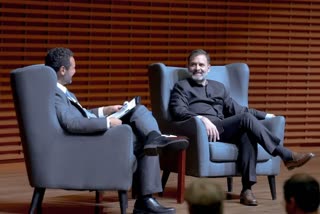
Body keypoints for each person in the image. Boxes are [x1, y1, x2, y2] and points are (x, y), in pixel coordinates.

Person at [44, 47, 189, 214]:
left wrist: (106, 110)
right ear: (63, 70)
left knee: (139, 114)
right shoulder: (56, 94)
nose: (75, 71)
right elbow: (72, 123)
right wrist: (107, 122)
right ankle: (146, 197)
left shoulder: (62, 93)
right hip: (93, 141)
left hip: (94, 135)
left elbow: (82, 115)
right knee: (143, 134)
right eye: (74, 67)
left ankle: (154, 138)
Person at [169, 49, 315, 206]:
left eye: (201, 64)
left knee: (247, 132)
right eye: (193, 64)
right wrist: (202, 119)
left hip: (222, 128)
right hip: (200, 131)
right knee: (245, 120)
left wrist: (268, 116)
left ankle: (247, 190)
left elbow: (238, 110)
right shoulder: (182, 87)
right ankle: (285, 154)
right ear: (188, 67)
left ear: (209, 67)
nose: (197, 68)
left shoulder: (219, 87)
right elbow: (178, 110)